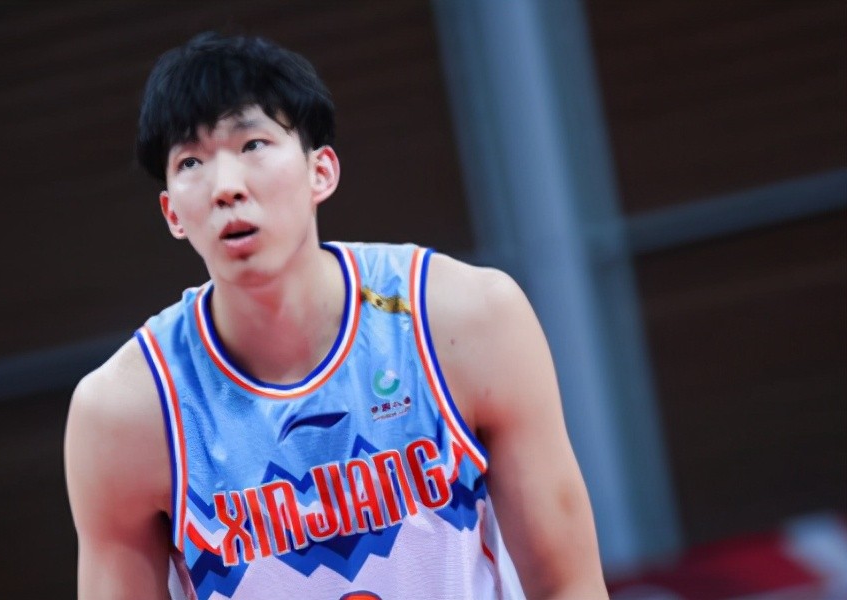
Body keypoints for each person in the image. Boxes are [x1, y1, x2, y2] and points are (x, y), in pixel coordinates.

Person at [64, 31, 607, 600]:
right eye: (192, 161)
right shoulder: (126, 412)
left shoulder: (464, 319)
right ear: (173, 213)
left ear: (320, 171)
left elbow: (568, 586)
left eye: (252, 144)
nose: (226, 187)